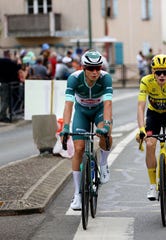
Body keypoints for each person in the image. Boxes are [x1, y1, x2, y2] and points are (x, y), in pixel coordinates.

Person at [60, 50, 113, 210]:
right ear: (83, 68)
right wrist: (66, 127)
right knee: (79, 149)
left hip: (99, 112)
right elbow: (68, 105)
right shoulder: (74, 79)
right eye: (91, 68)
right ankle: (77, 194)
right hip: (82, 112)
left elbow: (108, 104)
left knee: (106, 134)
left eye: (98, 67)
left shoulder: (105, 78)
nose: (95, 72)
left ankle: (103, 164)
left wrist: (107, 125)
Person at [136, 54, 166, 201]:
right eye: (158, 72)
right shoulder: (146, 81)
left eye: (165, 72)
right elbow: (140, 106)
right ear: (153, 72)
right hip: (154, 115)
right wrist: (141, 129)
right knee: (150, 143)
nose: (162, 75)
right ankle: (152, 185)